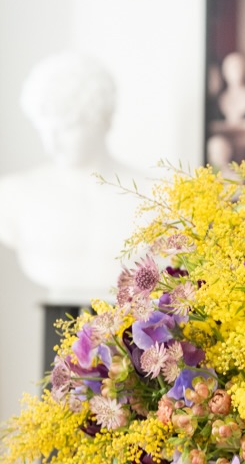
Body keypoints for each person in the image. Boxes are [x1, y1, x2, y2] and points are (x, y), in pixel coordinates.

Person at [0, 52, 145, 302]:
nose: (52, 142)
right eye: (44, 128)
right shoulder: (12, 195)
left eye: (68, 127)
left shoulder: (150, 195)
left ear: (104, 120)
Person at [217, 51, 245, 125]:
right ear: (225, 72)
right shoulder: (222, 99)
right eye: (232, 69)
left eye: (239, 68)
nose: (237, 72)